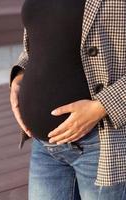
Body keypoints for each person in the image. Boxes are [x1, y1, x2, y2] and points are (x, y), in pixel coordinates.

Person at [9, 0, 126, 199]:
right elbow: (42, 38)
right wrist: (20, 75)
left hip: (101, 145)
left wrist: (102, 106)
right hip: (44, 147)